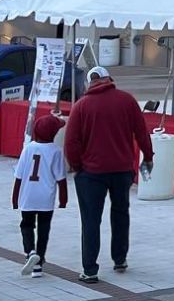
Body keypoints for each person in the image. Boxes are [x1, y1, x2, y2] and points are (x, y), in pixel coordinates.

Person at [64, 65, 153, 283]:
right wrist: (148, 156)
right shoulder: (127, 100)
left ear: (89, 82)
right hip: (122, 169)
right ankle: (120, 259)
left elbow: (71, 142)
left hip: (91, 172)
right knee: (121, 213)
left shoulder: (81, 106)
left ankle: (90, 269)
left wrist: (77, 167)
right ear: (109, 79)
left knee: (90, 220)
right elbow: (142, 132)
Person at [12, 108, 68, 278]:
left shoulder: (28, 148)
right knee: (44, 229)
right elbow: (61, 178)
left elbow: (19, 176)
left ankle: (30, 252)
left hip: (28, 195)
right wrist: (63, 199)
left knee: (26, 225)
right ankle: (39, 264)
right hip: (46, 198)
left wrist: (15, 199)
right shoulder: (56, 151)